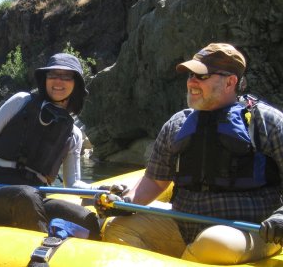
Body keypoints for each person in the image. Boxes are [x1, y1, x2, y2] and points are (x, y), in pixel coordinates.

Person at [95, 43, 283, 264]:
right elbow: (155, 182)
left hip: (251, 230)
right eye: (191, 74)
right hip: (185, 223)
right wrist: (125, 202)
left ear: (230, 82)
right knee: (120, 228)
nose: (191, 81)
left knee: (214, 243)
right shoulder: (177, 124)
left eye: (201, 76)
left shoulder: (266, 121)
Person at [0, 53, 101, 240]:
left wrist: (101, 190)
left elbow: (73, 184)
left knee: (86, 219)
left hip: (36, 198)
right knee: (26, 195)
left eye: (66, 77)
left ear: (76, 84)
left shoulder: (73, 134)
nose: (58, 81)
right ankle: (41, 254)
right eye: (53, 75)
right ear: (45, 79)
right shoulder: (22, 101)